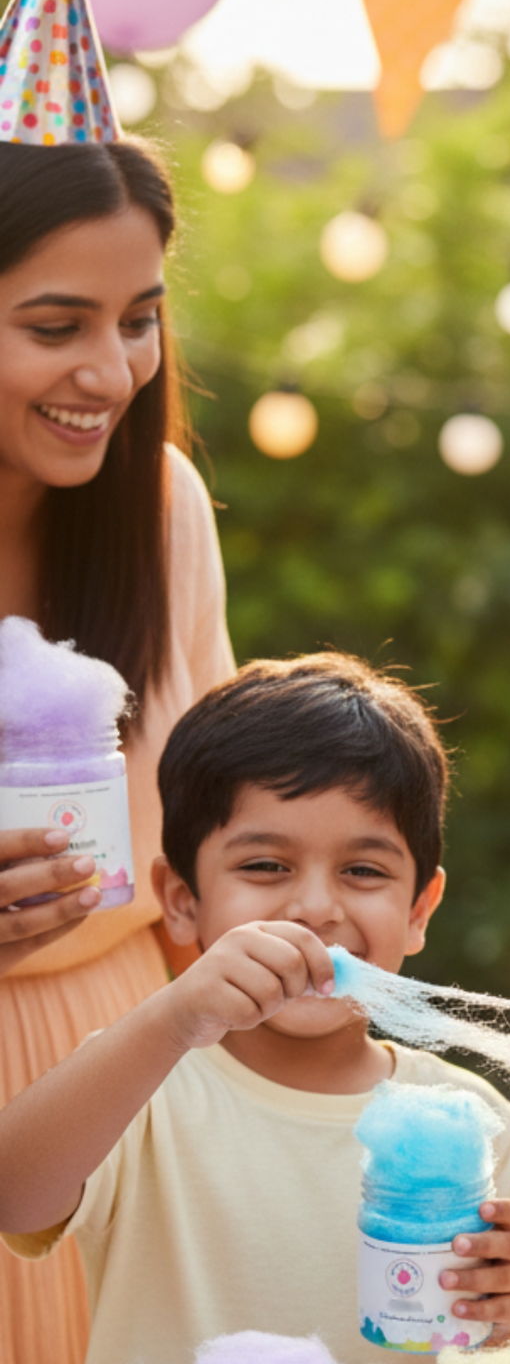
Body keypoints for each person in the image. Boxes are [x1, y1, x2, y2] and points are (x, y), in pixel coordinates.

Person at [0, 654, 510, 1364]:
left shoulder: (467, 1116)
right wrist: (173, 1018)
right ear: (182, 902)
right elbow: (15, 1196)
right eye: (265, 866)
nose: (315, 908)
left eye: (363, 871)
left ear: (419, 909)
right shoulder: (141, 1082)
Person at [0, 133, 237, 1355]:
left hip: (132, 1066)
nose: (112, 369)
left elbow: (216, 824)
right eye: (55, 325)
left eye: (137, 319)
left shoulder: (160, 511)